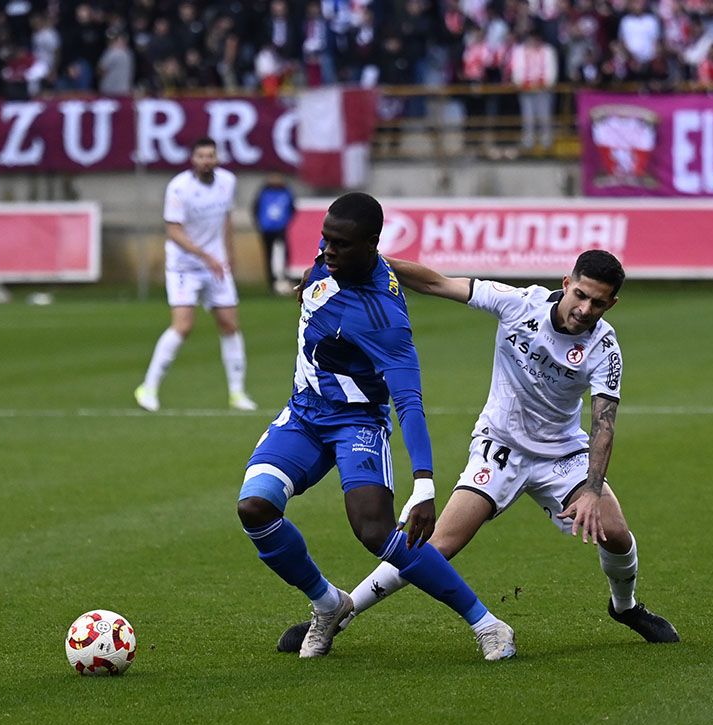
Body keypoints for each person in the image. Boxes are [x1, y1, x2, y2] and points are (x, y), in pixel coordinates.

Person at [277, 249, 679, 654]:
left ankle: (624, 607)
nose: (585, 308)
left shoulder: (605, 348)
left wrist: (592, 490)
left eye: (597, 302)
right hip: (499, 446)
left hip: (562, 454)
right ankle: (342, 613)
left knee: (616, 534)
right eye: (581, 294)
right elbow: (438, 283)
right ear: (566, 284)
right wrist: (370, 261)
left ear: (612, 304)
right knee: (434, 547)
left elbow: (604, 424)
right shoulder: (518, 303)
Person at [236, 192, 515, 661]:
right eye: (324, 240)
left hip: (356, 422)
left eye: (339, 245)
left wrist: (424, 486)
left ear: (371, 245)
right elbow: (318, 278)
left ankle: (488, 624)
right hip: (303, 415)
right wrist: (310, 280)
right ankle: (328, 604)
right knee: (255, 507)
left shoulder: (386, 320)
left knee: (375, 531)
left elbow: (409, 402)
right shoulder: (332, 261)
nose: (327, 251)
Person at [135, 138, 256, 412]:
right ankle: (149, 387)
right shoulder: (179, 188)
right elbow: (173, 230)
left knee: (229, 324)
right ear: (193, 159)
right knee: (183, 326)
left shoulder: (227, 182)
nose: (206, 160)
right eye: (201, 155)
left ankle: (237, 393)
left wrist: (229, 254)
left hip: (216, 264)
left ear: (217, 158)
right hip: (184, 266)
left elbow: (225, 219)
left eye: (210, 155)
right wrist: (205, 255)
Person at [252, 173, 296, 295]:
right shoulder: (263, 192)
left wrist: (285, 223)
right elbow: (255, 209)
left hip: (280, 229)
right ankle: (273, 282)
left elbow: (292, 209)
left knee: (282, 254)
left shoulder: (286, 192)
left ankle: (283, 279)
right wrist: (260, 224)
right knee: (269, 255)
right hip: (266, 230)